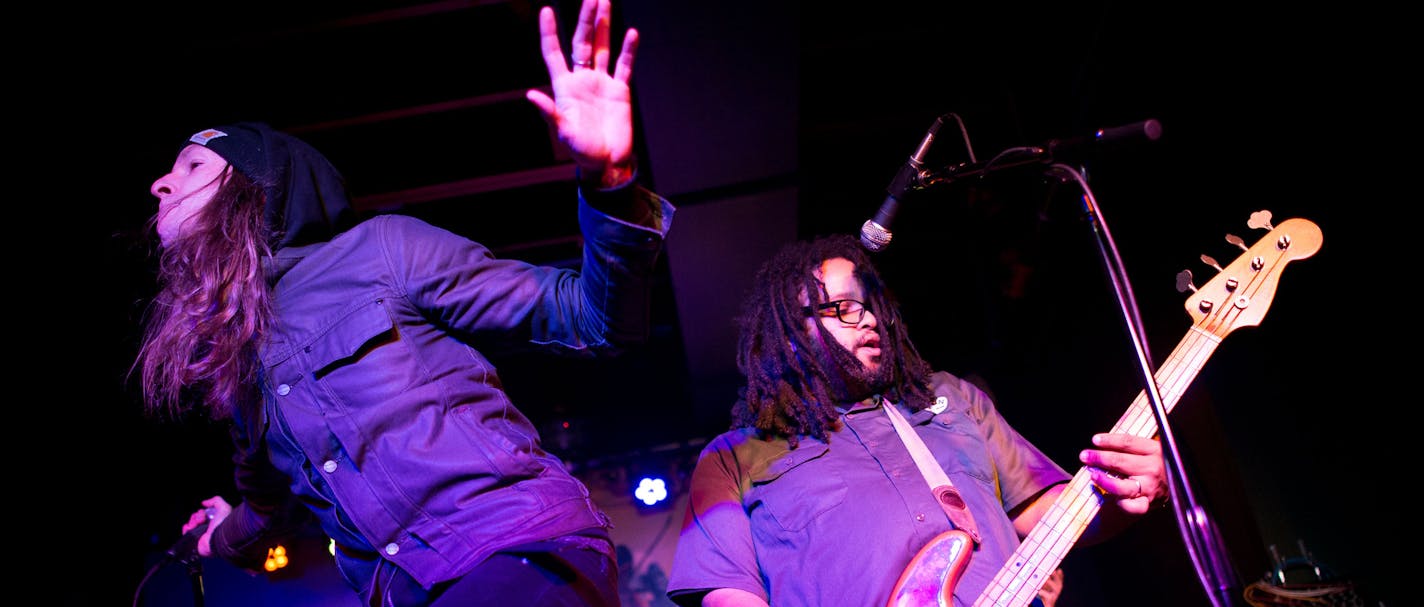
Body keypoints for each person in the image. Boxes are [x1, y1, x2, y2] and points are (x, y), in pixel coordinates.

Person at [134, 0, 674, 605]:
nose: (162, 183)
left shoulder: (382, 250)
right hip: (408, 591)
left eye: (193, 165)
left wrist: (610, 179)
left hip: (509, 545)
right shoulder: (238, 356)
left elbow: (594, 318)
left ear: (254, 189)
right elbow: (266, 507)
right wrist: (213, 540)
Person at [664, 234, 1166, 607]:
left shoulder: (951, 399)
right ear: (790, 334)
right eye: (841, 307)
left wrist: (1130, 492)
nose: (868, 319)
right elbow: (730, 598)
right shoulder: (734, 458)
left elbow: (1055, 522)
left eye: (870, 306)